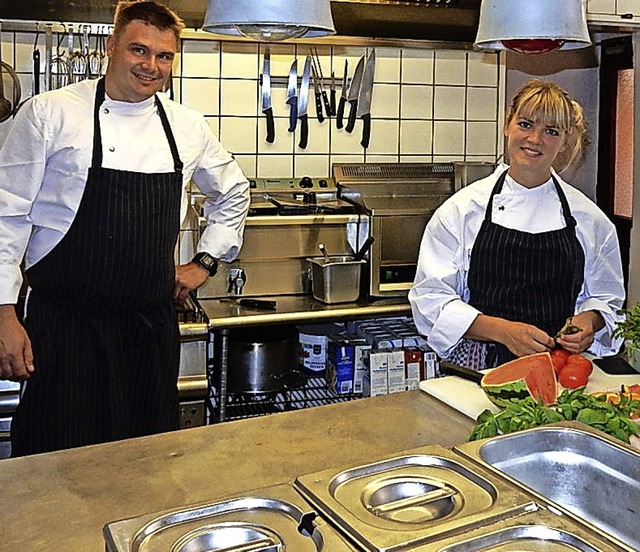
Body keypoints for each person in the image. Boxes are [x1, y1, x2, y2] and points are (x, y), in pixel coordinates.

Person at [0, 0, 250, 455]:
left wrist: (206, 262)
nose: (151, 66)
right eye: (139, 50)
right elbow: (6, 214)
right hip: (65, 327)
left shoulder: (186, 126)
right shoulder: (49, 114)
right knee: (57, 463)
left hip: (147, 331)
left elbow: (233, 192)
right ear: (111, 47)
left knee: (144, 466)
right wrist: (2, 311)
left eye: (164, 55)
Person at [409, 79, 625, 370]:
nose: (535, 139)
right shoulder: (462, 211)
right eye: (525, 124)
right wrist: (504, 332)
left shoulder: (590, 219)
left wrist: (591, 320)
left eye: (551, 131)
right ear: (507, 125)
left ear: (564, 142)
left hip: (561, 367)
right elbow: (430, 300)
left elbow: (606, 298)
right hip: (479, 367)